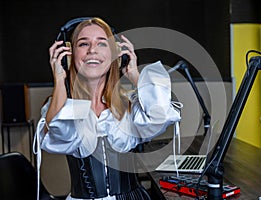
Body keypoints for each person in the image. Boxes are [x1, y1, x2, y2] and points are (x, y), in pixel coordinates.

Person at [34, 17, 181, 200]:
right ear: (70, 55)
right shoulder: (60, 106)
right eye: (83, 44)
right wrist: (59, 78)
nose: (92, 50)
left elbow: (159, 114)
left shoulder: (128, 105)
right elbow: (57, 131)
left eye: (102, 44)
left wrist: (134, 74)